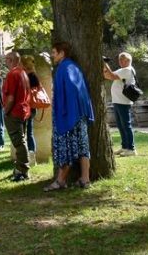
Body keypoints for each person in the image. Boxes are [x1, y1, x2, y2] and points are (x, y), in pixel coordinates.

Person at [44, 41, 95, 191]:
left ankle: (60, 181)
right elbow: (80, 91)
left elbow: (68, 93)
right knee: (83, 146)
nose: (53, 55)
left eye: (54, 52)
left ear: (62, 53)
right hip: (80, 114)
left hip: (69, 115)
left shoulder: (63, 69)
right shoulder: (74, 67)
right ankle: (85, 179)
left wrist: (65, 113)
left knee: (66, 147)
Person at [3, 51, 31, 182]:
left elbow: (10, 97)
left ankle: (22, 170)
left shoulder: (12, 74)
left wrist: (6, 111)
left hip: (14, 112)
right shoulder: (23, 72)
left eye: (6, 59)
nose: (5, 62)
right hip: (23, 111)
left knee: (19, 142)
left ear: (10, 60)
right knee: (21, 140)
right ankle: (21, 169)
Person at [103, 52, 138, 157]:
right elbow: (108, 76)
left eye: (122, 59)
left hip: (123, 101)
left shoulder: (127, 70)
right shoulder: (122, 70)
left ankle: (131, 149)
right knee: (121, 125)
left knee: (126, 125)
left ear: (128, 60)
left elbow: (112, 76)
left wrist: (104, 63)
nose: (120, 61)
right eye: (119, 59)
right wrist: (103, 67)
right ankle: (125, 147)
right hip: (118, 101)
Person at [21, 55, 40, 166]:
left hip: (26, 107)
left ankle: (26, 158)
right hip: (31, 107)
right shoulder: (34, 76)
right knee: (28, 132)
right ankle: (31, 157)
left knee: (24, 133)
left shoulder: (26, 76)